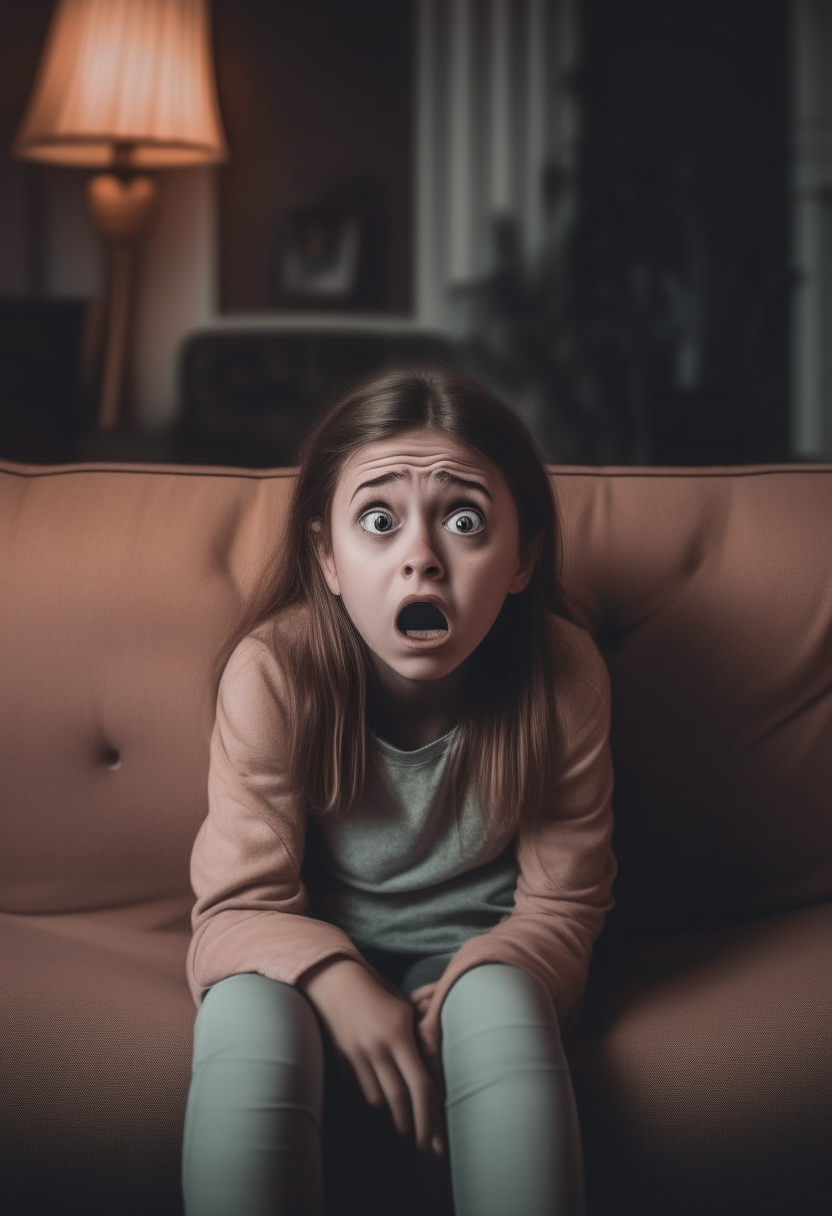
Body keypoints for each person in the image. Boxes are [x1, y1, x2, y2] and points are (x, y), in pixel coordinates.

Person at [181, 366, 616, 1216]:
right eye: (379, 522)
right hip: (299, 947)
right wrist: (335, 979)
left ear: (523, 556)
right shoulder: (274, 672)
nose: (422, 555)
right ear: (327, 559)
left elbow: (565, 906)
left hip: (485, 958)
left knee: (500, 1005)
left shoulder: (564, 674)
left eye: (463, 520)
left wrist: (474, 977)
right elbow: (234, 911)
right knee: (243, 1016)